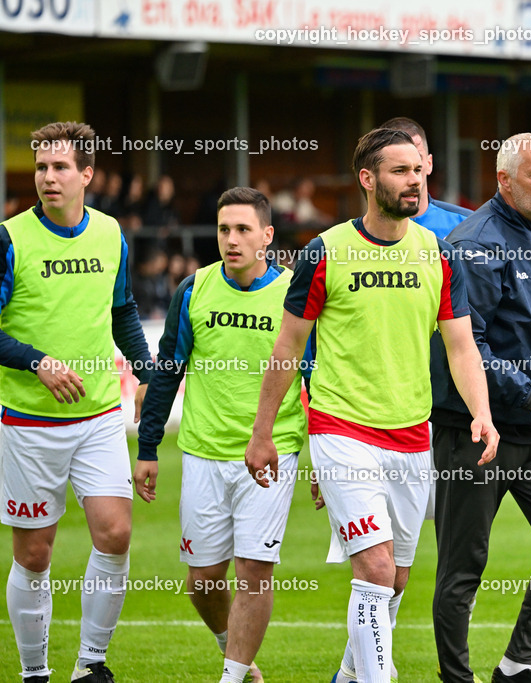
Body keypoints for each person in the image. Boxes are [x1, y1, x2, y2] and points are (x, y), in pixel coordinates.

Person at [244, 127, 498, 683]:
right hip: (341, 429)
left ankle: (348, 674)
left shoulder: (437, 253)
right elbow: (287, 347)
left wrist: (481, 412)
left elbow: (461, 345)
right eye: (400, 171)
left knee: (397, 577)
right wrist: (262, 432)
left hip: (412, 433)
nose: (415, 180)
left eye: (418, 170)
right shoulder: (325, 252)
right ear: (367, 178)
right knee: (376, 568)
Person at [431, 133, 531, 683]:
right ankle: (457, 678)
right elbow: (466, 346)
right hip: (475, 432)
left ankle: (518, 663)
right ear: (504, 180)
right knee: (463, 566)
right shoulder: (472, 245)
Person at [134, 187, 307, 683]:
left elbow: (316, 378)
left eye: (243, 230)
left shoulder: (295, 294)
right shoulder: (195, 289)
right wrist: (148, 448)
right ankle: (234, 651)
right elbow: (168, 372)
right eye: (224, 229)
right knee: (203, 581)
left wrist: (322, 460)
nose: (231, 240)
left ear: (267, 236)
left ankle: (231, 676)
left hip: (272, 453)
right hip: (203, 453)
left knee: (254, 570)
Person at [1, 121, 153, 683]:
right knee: (34, 555)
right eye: (41, 167)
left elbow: (123, 310)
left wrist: (146, 371)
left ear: (87, 173)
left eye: (60, 167)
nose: (48, 177)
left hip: (98, 417)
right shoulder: (10, 239)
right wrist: (36, 361)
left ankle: (91, 665)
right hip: (27, 423)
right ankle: (34, 671)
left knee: (115, 534)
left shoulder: (111, 233)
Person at [379, 116, 472, 239]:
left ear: (429, 164)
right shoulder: (361, 232)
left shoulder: (468, 225)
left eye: (417, 159)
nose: (411, 175)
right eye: (399, 166)